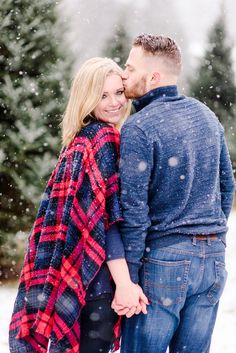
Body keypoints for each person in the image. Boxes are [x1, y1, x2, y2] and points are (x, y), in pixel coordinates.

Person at [9, 57, 148, 353]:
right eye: (103, 95)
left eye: (119, 93)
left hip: (72, 284)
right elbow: (106, 224)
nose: (114, 103)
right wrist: (124, 283)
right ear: (87, 99)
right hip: (96, 284)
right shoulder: (104, 138)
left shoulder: (78, 141)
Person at [111, 34, 235, 353]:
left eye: (129, 67)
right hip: (213, 261)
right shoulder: (206, 116)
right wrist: (211, 236)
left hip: (164, 261)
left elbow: (134, 212)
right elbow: (228, 186)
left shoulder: (138, 128)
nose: (124, 74)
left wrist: (132, 279)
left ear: (153, 76)